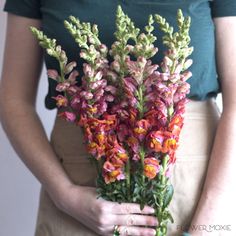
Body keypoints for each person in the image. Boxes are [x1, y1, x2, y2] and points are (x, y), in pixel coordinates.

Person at [0, 0, 236, 235]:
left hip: (194, 192)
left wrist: (207, 223)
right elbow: (13, 101)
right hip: (79, 195)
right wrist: (65, 194)